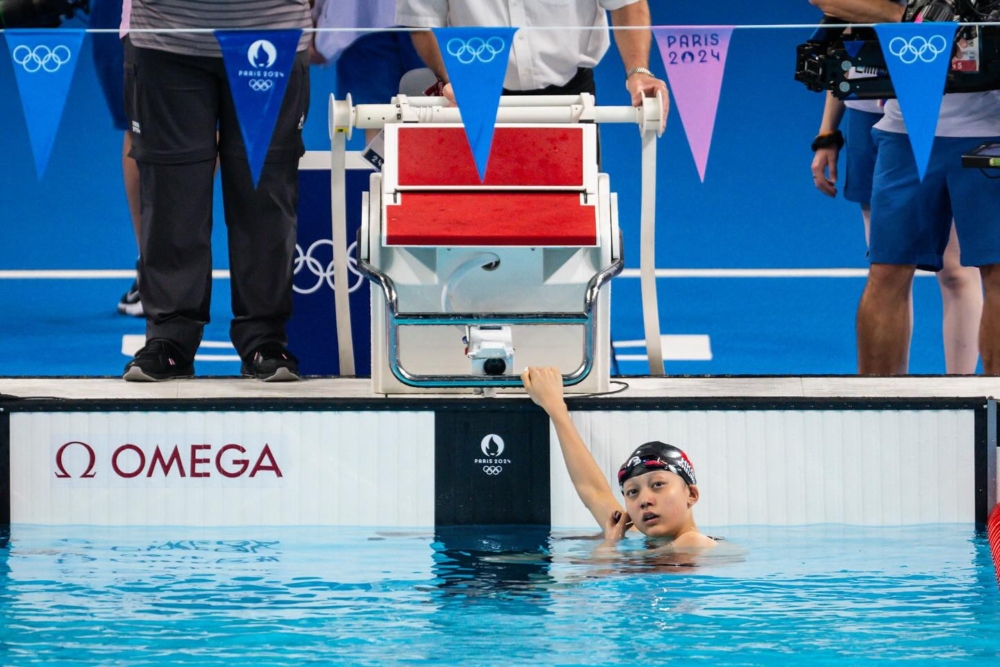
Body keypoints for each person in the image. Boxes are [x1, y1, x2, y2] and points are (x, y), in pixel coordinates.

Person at [122, 0, 312, 381]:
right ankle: (170, 337)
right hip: (167, 36)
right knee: (171, 197)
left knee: (265, 195)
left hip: (271, 28)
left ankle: (265, 337)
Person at [809, 0, 983, 374]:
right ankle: (889, 400)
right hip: (879, 119)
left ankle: (964, 392)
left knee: (955, 270)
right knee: (887, 268)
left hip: (954, 118)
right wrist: (828, 133)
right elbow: (843, 31)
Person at [521, 366, 716, 548]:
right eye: (632, 492)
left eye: (658, 484)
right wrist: (555, 407)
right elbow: (593, 492)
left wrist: (609, 547)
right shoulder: (630, 538)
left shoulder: (694, 543)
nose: (644, 500)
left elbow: (602, 572)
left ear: (691, 494)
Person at [396, 0, 667, 107]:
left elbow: (626, 3)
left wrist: (638, 71)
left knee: (573, 220)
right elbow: (423, 22)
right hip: (474, 101)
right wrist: (453, 77)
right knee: (477, 221)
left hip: (570, 98)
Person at [312, 0, 426, 143]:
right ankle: (383, 165)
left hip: (427, 19)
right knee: (376, 116)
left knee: (438, 110)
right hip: (363, 19)